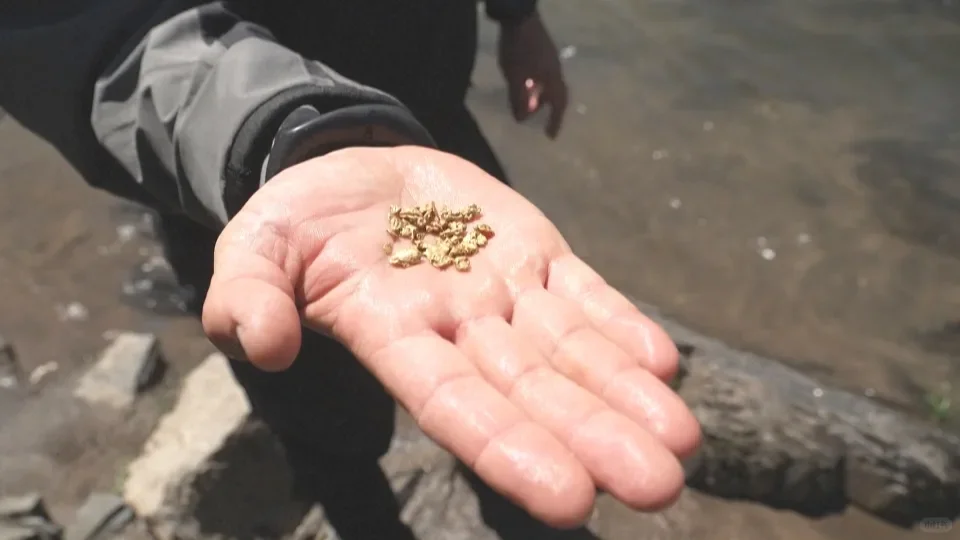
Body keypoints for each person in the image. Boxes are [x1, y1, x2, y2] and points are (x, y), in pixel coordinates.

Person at [1, 1, 701, 538]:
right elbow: (77, 24)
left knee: (518, 402)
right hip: (246, 178)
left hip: (429, 132)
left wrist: (518, 16)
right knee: (327, 432)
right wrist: (281, 128)